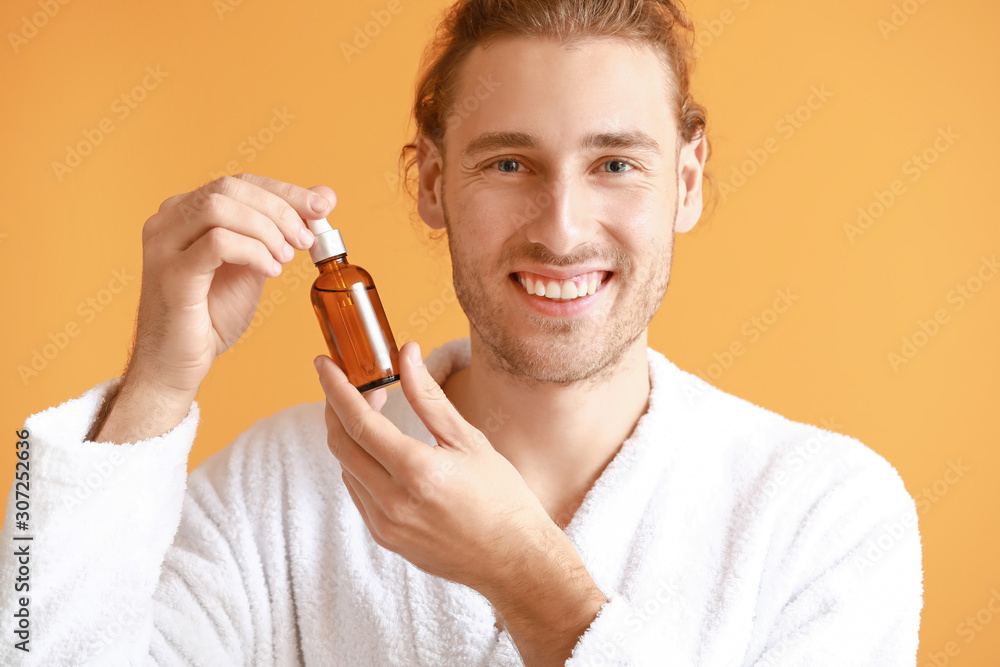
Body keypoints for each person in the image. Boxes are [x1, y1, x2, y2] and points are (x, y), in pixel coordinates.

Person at [1, 0, 923, 665]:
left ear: (686, 180)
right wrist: (157, 384)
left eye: (613, 162)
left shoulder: (825, 511)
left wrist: (527, 578)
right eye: (510, 161)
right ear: (431, 183)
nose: (562, 227)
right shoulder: (279, 492)